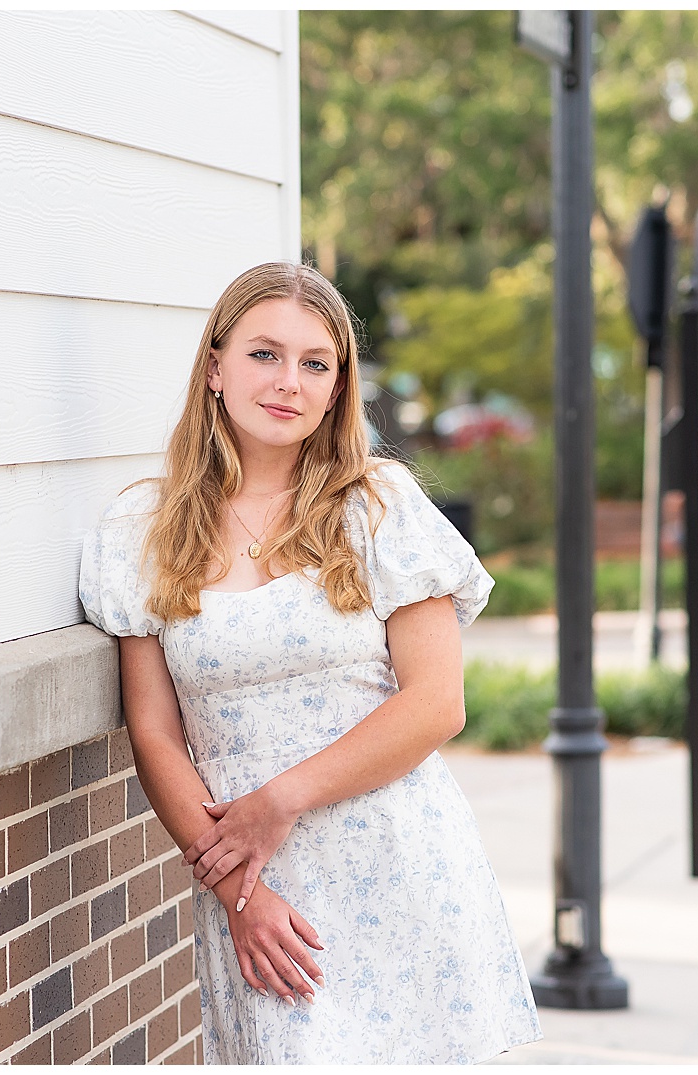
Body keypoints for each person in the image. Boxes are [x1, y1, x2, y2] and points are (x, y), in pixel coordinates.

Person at [79, 262, 541, 1063]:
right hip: (265, 897)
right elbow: (154, 734)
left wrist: (278, 800)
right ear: (215, 368)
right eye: (265, 354)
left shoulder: (379, 508)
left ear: (336, 389)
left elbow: (436, 704)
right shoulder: (140, 532)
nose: (289, 380)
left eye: (315, 363)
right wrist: (240, 891)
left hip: (403, 865)